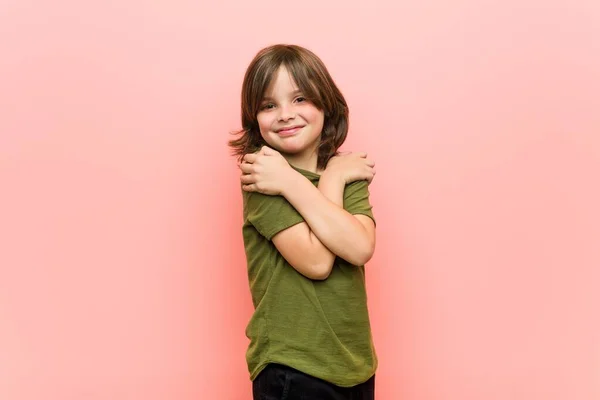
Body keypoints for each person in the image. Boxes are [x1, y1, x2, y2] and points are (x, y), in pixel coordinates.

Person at [229, 44, 378, 400]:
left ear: (326, 104)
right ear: (255, 118)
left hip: (355, 364)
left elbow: (359, 248)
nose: (284, 114)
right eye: (268, 105)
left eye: (299, 99)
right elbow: (317, 262)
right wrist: (301, 181)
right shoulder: (263, 177)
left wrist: (331, 176)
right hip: (291, 365)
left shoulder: (344, 171)